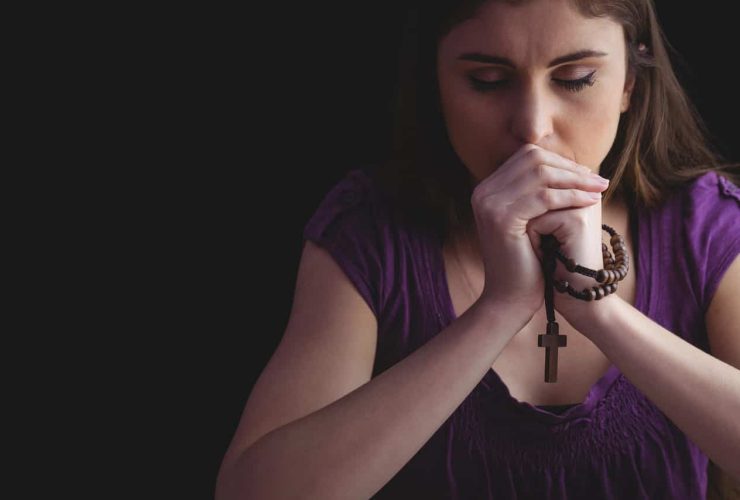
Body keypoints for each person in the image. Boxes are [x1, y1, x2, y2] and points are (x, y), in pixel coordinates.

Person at [215, 0, 740, 498]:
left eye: (575, 79)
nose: (533, 127)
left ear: (629, 81)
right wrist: (499, 308)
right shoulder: (369, 233)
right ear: (437, 83)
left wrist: (598, 307)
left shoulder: (705, 226)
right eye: (486, 81)